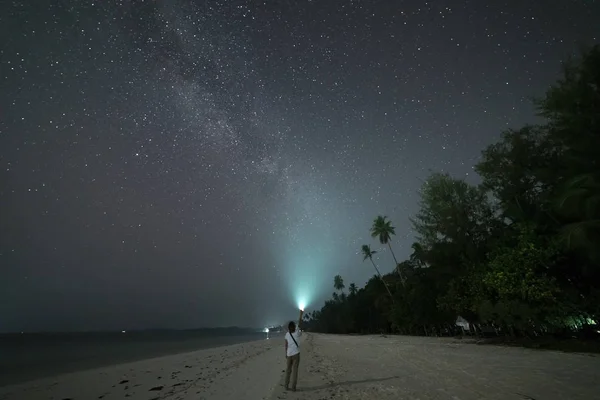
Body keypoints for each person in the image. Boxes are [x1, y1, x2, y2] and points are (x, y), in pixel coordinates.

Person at [284, 309, 303, 391]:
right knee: (295, 371)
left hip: (289, 355)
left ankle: (286, 386)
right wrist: (301, 314)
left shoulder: (287, 334)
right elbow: (300, 322)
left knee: (288, 371)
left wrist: (286, 353)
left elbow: (286, 345)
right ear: (294, 327)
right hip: (296, 354)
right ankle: (293, 387)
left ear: (288, 328)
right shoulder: (297, 332)